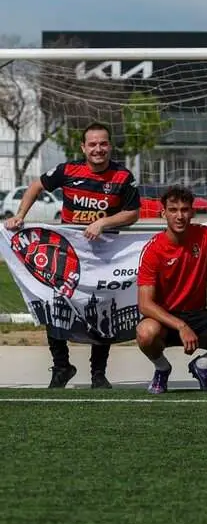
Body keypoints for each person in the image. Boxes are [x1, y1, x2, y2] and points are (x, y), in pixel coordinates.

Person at [4, 122, 141, 389]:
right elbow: (35, 186)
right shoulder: (67, 170)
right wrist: (20, 216)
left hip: (104, 255)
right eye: (92, 144)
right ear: (83, 147)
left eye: (103, 144)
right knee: (55, 304)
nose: (98, 149)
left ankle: (98, 374)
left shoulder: (122, 176)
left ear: (109, 146)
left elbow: (133, 213)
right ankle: (61, 367)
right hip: (67, 253)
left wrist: (104, 223)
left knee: (102, 308)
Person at [136, 186, 207, 394]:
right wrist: (180, 326)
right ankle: (162, 368)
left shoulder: (205, 235)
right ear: (163, 213)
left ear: (192, 212)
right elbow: (145, 304)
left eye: (185, 210)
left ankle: (203, 365)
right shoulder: (153, 249)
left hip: (198, 316)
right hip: (165, 320)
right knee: (145, 333)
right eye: (173, 210)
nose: (179, 216)